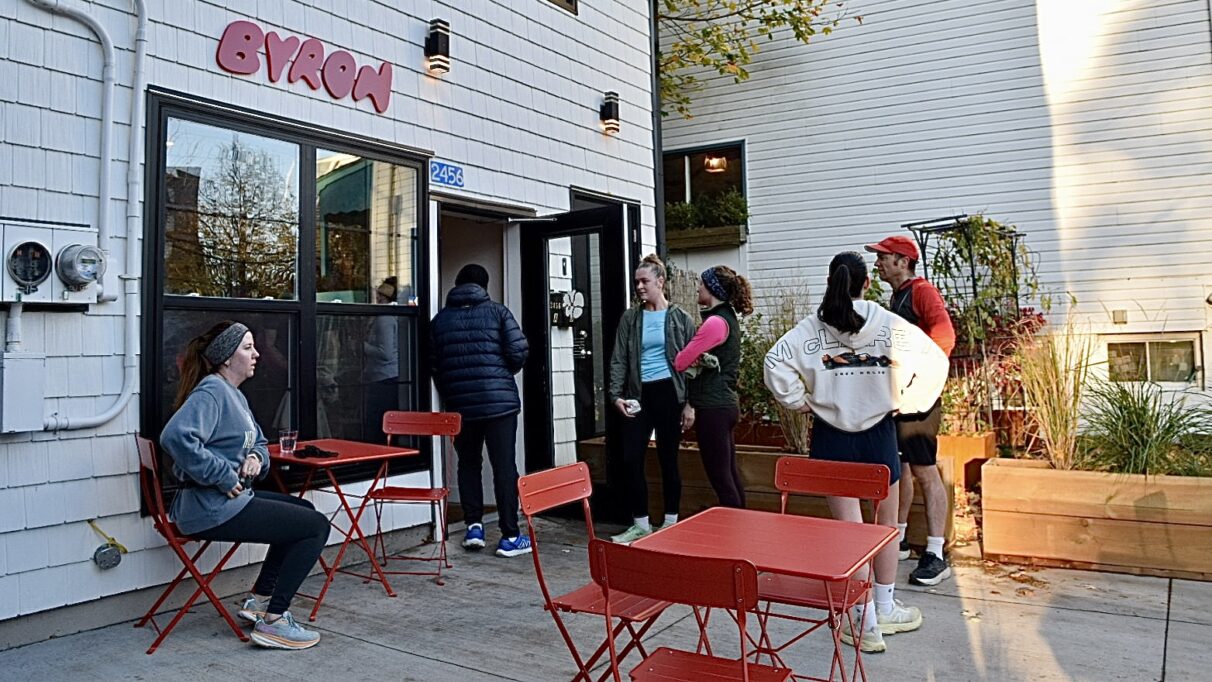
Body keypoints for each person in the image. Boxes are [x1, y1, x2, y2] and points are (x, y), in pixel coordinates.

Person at [763, 252, 948, 653]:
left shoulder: (811, 328)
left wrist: (803, 402)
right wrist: (909, 400)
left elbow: (774, 361)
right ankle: (884, 608)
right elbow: (934, 360)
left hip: (831, 435)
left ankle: (864, 623)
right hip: (879, 434)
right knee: (883, 529)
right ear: (867, 284)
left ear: (832, 281)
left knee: (848, 534)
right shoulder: (887, 324)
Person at [160, 321, 330, 651]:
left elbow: (260, 442)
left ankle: (261, 601)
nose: (257, 354)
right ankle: (276, 621)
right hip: (210, 508)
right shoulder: (212, 391)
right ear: (226, 358)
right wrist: (223, 475)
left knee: (304, 512)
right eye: (248, 347)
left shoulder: (234, 394)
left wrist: (255, 458)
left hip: (228, 502)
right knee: (315, 527)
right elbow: (175, 437)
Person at [866, 235, 956, 586]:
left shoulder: (922, 292)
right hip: (901, 397)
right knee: (900, 467)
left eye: (883, 258)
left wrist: (921, 380)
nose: (878, 264)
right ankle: (898, 538)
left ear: (903, 261)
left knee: (925, 470)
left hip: (919, 398)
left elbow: (945, 336)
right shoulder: (899, 295)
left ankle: (936, 552)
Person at [430, 264, 532, 558]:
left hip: (461, 405)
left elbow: (434, 364)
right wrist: (501, 373)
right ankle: (510, 536)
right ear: (484, 286)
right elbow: (518, 351)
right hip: (499, 404)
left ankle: (473, 526)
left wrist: (452, 390)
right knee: (504, 465)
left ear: (457, 284)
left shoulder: (440, 321)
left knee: (469, 463)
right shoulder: (498, 312)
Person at [607, 254, 697, 544]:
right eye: (636, 282)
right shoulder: (631, 318)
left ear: (661, 282)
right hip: (638, 394)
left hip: (669, 393)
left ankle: (670, 522)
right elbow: (619, 358)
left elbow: (695, 364)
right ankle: (641, 524)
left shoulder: (681, 318)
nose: (639, 287)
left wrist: (689, 403)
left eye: (644, 281)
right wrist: (615, 395)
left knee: (668, 458)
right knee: (631, 458)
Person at [673, 265, 754, 509]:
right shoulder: (727, 318)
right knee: (729, 474)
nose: (698, 287)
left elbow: (680, 362)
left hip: (713, 407)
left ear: (713, 289)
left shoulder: (715, 323)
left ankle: (733, 532)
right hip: (725, 404)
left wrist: (696, 356)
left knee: (720, 477)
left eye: (702, 284)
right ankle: (741, 525)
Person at [363, 277, 401, 440]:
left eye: (380, 296)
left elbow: (385, 353)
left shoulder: (384, 318)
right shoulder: (393, 316)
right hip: (387, 375)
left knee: (377, 422)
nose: (377, 299)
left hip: (383, 377)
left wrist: (362, 346)